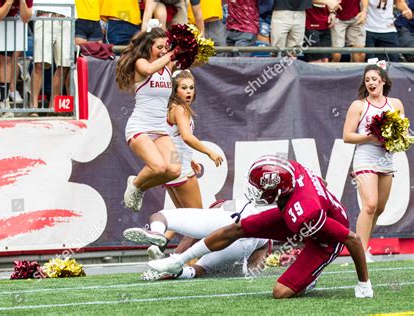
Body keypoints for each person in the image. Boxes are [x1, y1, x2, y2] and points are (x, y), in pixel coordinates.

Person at [146, 155, 374, 298]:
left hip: (325, 237)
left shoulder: (305, 212)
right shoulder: (291, 171)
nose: (256, 191)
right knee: (238, 228)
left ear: (279, 190)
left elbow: (351, 239)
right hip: (293, 212)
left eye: (260, 188)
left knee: (280, 292)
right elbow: (320, 183)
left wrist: (364, 284)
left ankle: (311, 275)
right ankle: (178, 259)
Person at [343, 64, 405, 262]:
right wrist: (371, 137)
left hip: (386, 160)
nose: (370, 82)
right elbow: (347, 136)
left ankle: (364, 245)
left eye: (374, 79)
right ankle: (360, 252)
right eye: (367, 79)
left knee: (378, 208)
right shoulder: (359, 105)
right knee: (369, 205)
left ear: (383, 81)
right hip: (365, 159)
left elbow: (403, 133)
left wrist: (397, 139)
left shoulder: (395, 104)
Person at [116, 25, 182, 212]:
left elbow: (195, 62)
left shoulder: (169, 66)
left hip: (161, 130)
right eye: (159, 47)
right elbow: (150, 69)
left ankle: (140, 186)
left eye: (166, 46)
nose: (163, 50)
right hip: (140, 128)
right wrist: (171, 54)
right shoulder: (141, 63)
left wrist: (193, 46)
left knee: (175, 170)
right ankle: (136, 184)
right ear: (149, 47)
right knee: (159, 167)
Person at [124, 199, 269, 281]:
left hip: (226, 220)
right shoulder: (263, 228)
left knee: (162, 216)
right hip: (246, 240)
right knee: (199, 270)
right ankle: (178, 272)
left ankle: (157, 231)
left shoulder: (226, 207)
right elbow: (256, 268)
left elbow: (190, 238)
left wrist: (176, 253)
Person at [161, 69, 223, 252]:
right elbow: (187, 137)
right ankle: (181, 260)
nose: (189, 92)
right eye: (184, 88)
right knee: (198, 223)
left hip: (173, 165)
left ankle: (161, 241)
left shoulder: (171, 107)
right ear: (174, 89)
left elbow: (174, 140)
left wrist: (190, 159)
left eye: (191, 88)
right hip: (179, 169)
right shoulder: (180, 109)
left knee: (184, 217)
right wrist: (209, 152)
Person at [30, 0, 74, 116]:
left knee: (64, 66)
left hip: (67, 18)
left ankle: (53, 107)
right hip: (44, 16)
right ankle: (33, 107)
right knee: (39, 64)